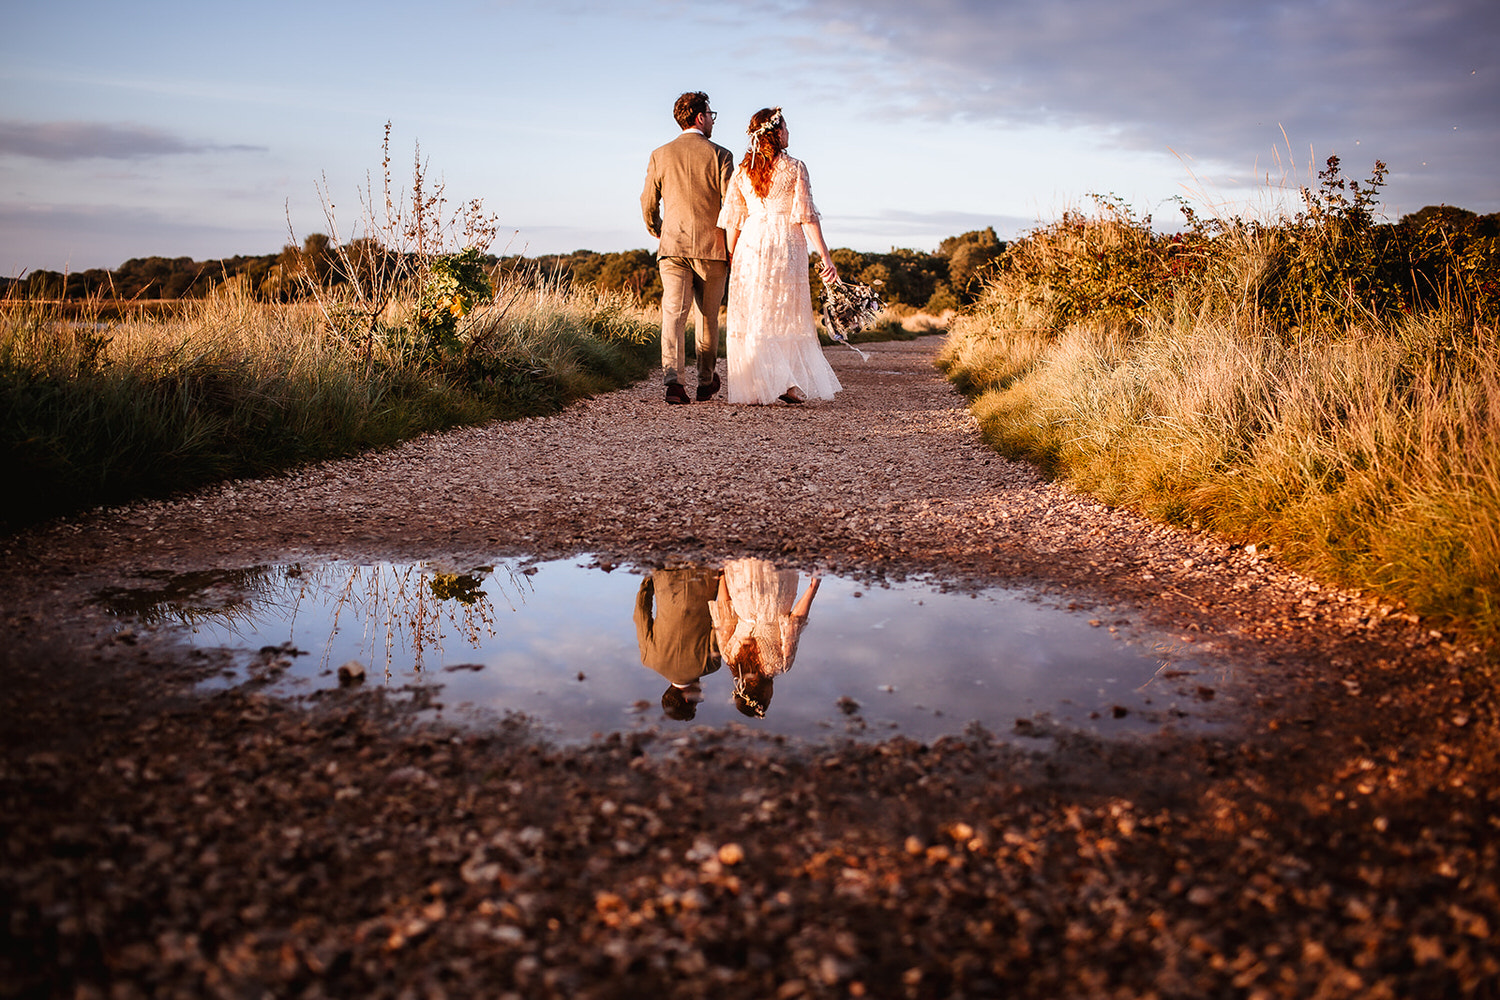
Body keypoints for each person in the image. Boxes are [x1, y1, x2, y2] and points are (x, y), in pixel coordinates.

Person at [716, 107, 843, 405]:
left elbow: (734, 218)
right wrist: (826, 256)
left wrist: (732, 254)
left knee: (755, 311)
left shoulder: (742, 170)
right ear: (775, 133)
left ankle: (761, 382)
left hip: (751, 242)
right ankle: (786, 383)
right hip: (785, 242)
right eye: (785, 128)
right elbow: (807, 216)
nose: (788, 133)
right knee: (784, 312)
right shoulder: (796, 167)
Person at [641, 91, 735, 405]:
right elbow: (731, 206)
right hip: (712, 248)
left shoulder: (660, 154)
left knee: (674, 314)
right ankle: (706, 382)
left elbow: (647, 202)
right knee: (707, 318)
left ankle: (674, 383)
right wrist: (733, 246)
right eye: (711, 114)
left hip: (673, 246)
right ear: (699, 117)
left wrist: (658, 229)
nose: (712, 120)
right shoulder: (721, 155)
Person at [708, 558, 820, 718]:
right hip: (743, 591)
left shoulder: (781, 665)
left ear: (765, 695)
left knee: (779, 552)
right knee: (747, 552)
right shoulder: (730, 658)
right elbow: (725, 610)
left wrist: (813, 587)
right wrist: (723, 575)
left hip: (775, 598)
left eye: (769, 698)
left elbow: (794, 621)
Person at [634, 566, 721, 721]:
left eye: (697, 700)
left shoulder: (710, 665)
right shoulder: (649, 659)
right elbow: (641, 613)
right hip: (667, 578)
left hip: (705, 576)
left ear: (688, 698)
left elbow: (719, 623)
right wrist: (651, 576)